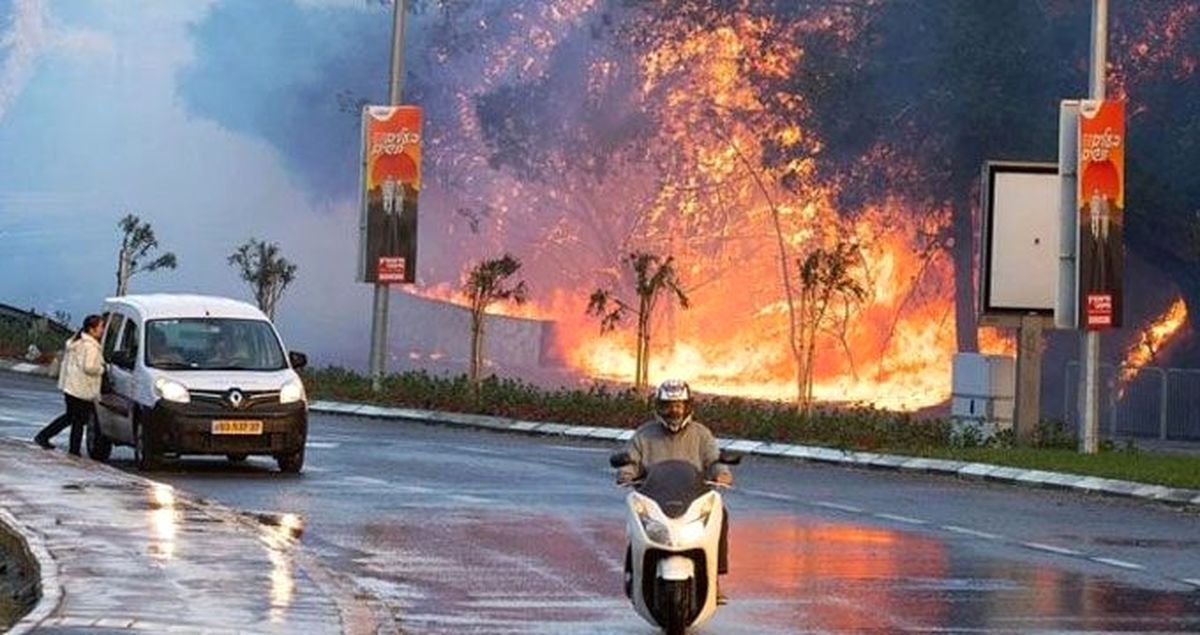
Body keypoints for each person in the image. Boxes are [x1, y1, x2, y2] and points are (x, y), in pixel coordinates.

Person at [617, 379, 734, 603]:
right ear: (658, 407)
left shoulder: (701, 434)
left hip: (692, 500)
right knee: (635, 522)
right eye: (668, 406)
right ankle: (635, 574)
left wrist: (722, 473)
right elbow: (630, 460)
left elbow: (714, 460)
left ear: (688, 407)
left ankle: (715, 578)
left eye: (679, 405)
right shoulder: (644, 435)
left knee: (722, 514)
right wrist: (627, 473)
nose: (673, 411)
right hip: (653, 501)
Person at [34, 315, 105, 455]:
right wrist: (102, 369)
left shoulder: (76, 342)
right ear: (92, 329)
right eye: (101, 327)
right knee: (77, 420)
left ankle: (50, 438)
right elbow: (89, 367)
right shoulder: (90, 346)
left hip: (71, 386)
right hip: (82, 388)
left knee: (72, 418)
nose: (102, 330)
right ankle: (56, 442)